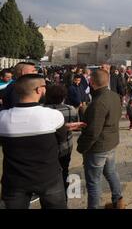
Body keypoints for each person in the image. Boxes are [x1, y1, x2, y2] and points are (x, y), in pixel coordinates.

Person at [0, 74, 67, 209]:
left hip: (15, 179)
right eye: (44, 87)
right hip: (49, 177)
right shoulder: (53, 115)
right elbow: (62, 139)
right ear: (39, 90)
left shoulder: (2, 117)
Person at [77, 69, 125, 209]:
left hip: (99, 147)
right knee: (111, 172)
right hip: (111, 142)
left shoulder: (98, 102)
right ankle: (118, 201)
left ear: (91, 82)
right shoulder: (114, 95)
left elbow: (93, 132)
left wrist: (81, 147)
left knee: (93, 181)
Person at [44, 84, 82, 197]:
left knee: (48, 171)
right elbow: (76, 125)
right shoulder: (71, 109)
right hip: (66, 145)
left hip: (48, 147)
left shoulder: (42, 110)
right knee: (64, 169)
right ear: (64, 96)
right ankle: (64, 192)